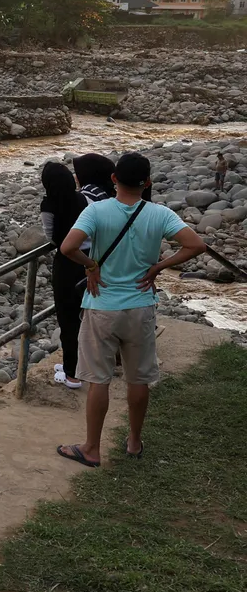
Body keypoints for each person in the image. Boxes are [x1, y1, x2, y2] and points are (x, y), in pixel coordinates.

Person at [56, 152, 207, 468]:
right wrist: (159, 267)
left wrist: (91, 265)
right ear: (147, 182)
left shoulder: (97, 210)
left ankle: (92, 448)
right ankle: (135, 442)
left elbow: (68, 248)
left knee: (99, 379)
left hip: (102, 306)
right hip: (140, 306)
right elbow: (196, 245)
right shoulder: (160, 214)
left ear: (114, 179)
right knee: (138, 379)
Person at [41, 162, 90, 389]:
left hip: (66, 264)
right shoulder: (82, 199)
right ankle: (82, 365)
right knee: (86, 315)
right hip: (88, 259)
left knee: (67, 319)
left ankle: (71, 375)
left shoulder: (48, 203)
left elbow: (51, 236)